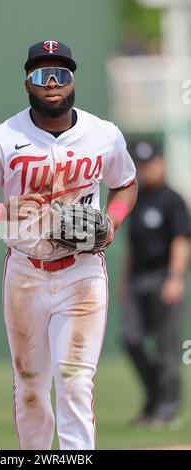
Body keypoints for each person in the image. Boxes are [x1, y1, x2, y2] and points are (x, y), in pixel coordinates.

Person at [0, 39, 138, 450]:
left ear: (73, 81)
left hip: (82, 272)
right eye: (41, 74)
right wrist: (1, 213)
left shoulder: (104, 135)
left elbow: (125, 184)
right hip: (25, 273)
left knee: (74, 380)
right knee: (31, 388)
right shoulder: (1, 139)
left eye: (62, 73)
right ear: (27, 83)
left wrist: (112, 219)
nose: (52, 82)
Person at [120, 139, 190, 427]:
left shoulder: (172, 199)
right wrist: (124, 283)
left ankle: (168, 408)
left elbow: (181, 240)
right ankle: (155, 396)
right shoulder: (136, 200)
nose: (146, 169)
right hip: (138, 279)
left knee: (166, 346)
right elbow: (131, 246)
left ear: (161, 162)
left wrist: (175, 277)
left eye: (150, 163)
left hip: (163, 276)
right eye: (140, 164)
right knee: (131, 338)